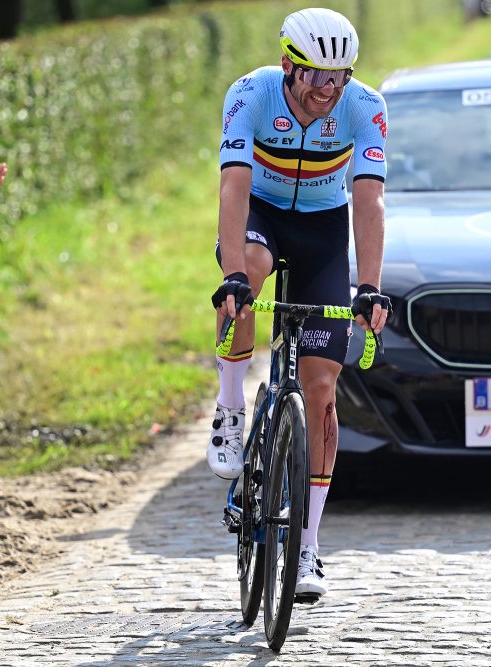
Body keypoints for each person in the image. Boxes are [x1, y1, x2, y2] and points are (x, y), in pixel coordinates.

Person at [209, 7, 391, 601]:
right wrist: (234, 272)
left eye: (337, 77)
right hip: (261, 216)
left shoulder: (366, 107)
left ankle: (308, 545)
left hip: (321, 230)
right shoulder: (251, 93)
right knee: (249, 276)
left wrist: (369, 287)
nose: (325, 91)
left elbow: (368, 202)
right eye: (314, 76)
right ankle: (231, 410)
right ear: (288, 65)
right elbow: (234, 184)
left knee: (320, 389)